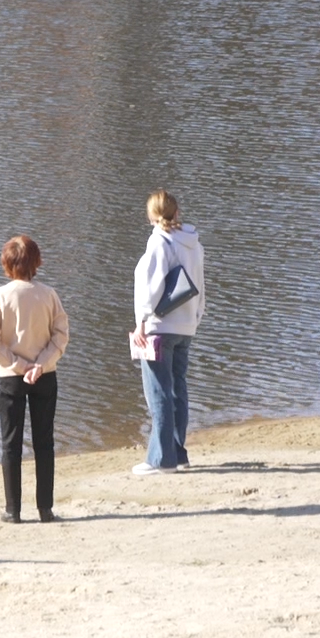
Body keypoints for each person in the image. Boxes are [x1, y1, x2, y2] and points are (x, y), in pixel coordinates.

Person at [0, 235, 70, 523]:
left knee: (11, 443)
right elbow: (61, 335)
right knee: (44, 441)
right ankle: (45, 509)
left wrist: (19, 365)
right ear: (37, 262)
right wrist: (40, 365)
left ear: (7, 265)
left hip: (10, 377)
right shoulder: (49, 294)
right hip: (44, 376)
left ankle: (13, 510)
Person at [131, 190, 207, 475]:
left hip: (158, 328)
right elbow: (200, 286)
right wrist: (196, 318)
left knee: (158, 391)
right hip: (186, 326)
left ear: (151, 216)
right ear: (177, 213)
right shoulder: (194, 243)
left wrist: (141, 322)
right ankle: (178, 452)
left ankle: (161, 460)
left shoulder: (158, 242)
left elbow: (151, 290)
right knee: (178, 389)